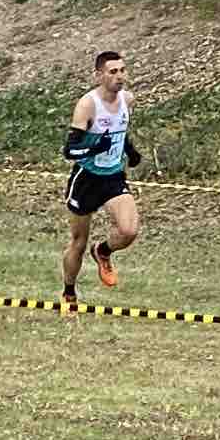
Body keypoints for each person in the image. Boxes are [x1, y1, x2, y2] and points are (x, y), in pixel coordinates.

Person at [61, 46, 146, 301]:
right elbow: (70, 151)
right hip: (86, 178)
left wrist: (130, 152)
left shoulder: (127, 100)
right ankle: (69, 293)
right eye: (112, 72)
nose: (119, 76)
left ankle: (103, 251)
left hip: (112, 177)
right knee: (78, 241)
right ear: (99, 75)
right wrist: (95, 145)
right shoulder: (88, 104)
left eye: (122, 70)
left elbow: (120, 131)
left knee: (129, 231)